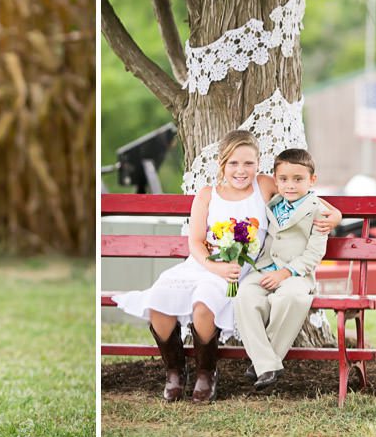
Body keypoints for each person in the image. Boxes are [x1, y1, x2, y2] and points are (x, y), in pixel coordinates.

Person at [113, 131, 341, 402]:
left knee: (203, 305)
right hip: (205, 266)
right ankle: (174, 372)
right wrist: (213, 266)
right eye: (233, 163)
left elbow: (308, 200)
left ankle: (205, 374)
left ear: (258, 164)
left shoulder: (265, 185)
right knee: (159, 302)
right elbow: (196, 242)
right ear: (222, 164)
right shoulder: (208, 195)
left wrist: (335, 214)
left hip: (238, 271)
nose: (241, 170)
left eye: (248, 163)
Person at [233, 147, 328, 390]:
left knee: (291, 298)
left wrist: (285, 273)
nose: (290, 185)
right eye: (284, 179)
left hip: (297, 274)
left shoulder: (318, 210)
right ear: (275, 181)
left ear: (312, 180)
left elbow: (314, 254)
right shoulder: (272, 204)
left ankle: (263, 364)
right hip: (265, 268)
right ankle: (269, 364)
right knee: (244, 296)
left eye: (298, 179)